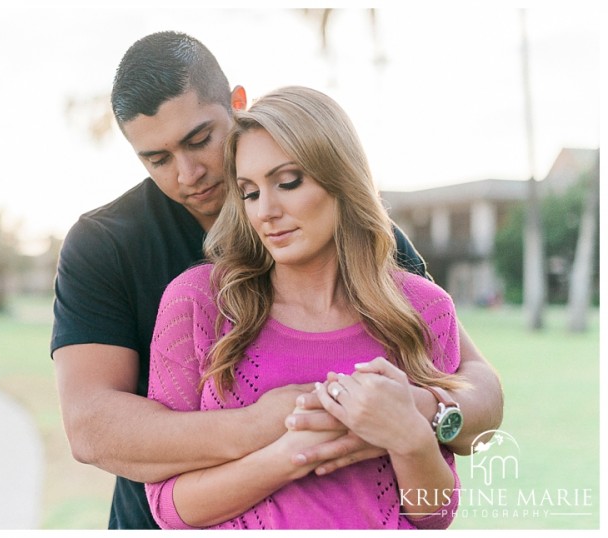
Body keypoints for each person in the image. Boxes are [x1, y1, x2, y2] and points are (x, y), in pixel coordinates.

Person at [51, 31, 503, 530]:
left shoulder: (361, 236)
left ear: (238, 106)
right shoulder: (106, 246)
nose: (188, 173)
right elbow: (91, 428)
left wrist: (416, 412)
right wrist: (269, 427)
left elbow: (475, 387)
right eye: (157, 159)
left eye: (200, 139)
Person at [144, 86, 464, 529]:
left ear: (341, 179)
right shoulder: (197, 302)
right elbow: (169, 508)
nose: (266, 211)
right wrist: (292, 452)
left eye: (288, 182)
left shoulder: (423, 309)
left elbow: (435, 516)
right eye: (250, 192)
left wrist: (410, 436)